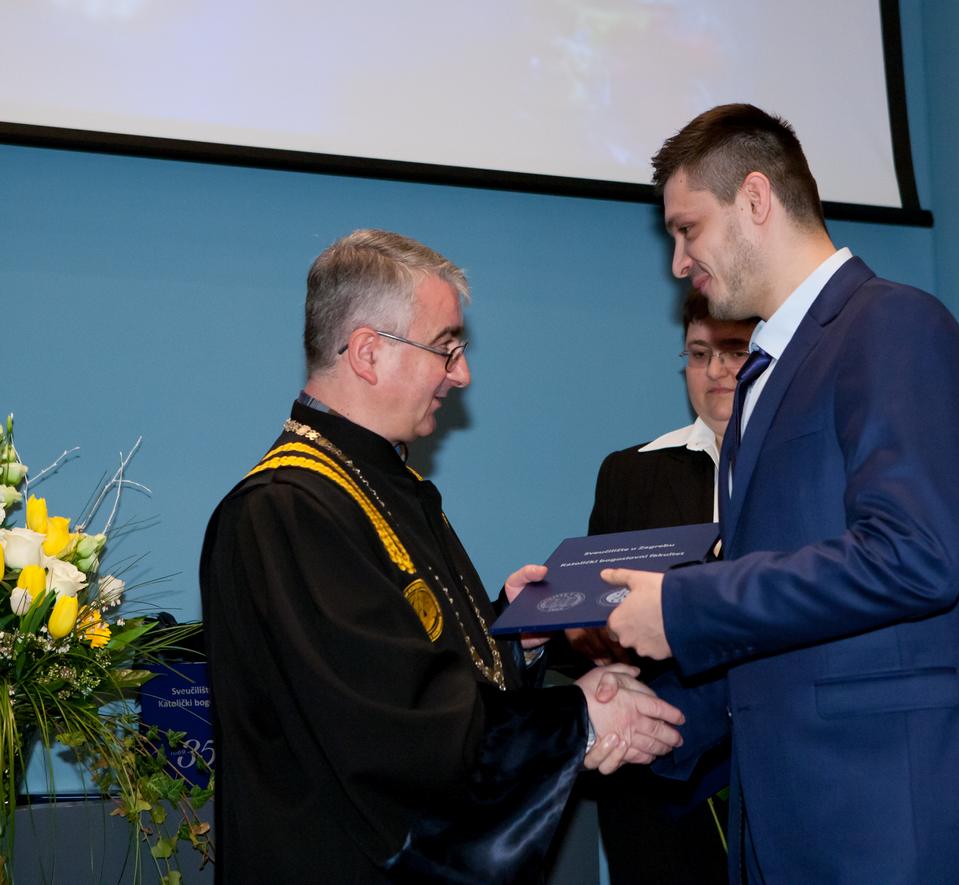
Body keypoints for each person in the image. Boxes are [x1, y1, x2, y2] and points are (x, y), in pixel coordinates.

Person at [603, 104, 959, 883]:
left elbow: (915, 556)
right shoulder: (765, 376)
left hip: (900, 831)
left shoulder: (894, 325)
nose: (678, 262)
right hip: (798, 830)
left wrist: (682, 606)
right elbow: (787, 625)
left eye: (687, 229)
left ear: (754, 198)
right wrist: (654, 718)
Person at [199, 229, 685, 884]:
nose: (462, 374)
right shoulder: (285, 510)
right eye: (446, 348)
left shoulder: (382, 483)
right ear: (368, 352)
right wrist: (578, 719)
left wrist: (514, 639)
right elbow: (395, 729)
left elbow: (420, 667)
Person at [573, 289, 756, 885]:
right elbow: (591, 610)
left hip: (778, 751)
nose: (716, 370)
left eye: (735, 351)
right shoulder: (632, 472)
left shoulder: (811, 464)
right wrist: (581, 631)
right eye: (699, 354)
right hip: (653, 762)